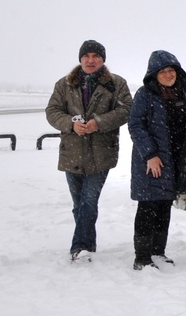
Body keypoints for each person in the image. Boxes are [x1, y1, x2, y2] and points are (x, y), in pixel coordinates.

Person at [46, 40, 132, 262]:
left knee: (88, 201)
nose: (91, 60)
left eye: (96, 56)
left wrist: (99, 122)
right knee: (79, 204)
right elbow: (52, 111)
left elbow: (126, 110)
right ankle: (88, 243)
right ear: (80, 59)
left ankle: (80, 247)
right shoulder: (64, 84)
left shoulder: (116, 84)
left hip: (101, 154)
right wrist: (70, 124)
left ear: (103, 60)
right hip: (72, 153)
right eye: (87, 56)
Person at [126, 50, 186, 270]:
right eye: (163, 72)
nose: (169, 75)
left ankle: (158, 252)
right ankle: (142, 257)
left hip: (177, 160)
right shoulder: (145, 94)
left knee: (164, 205)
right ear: (154, 74)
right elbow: (136, 125)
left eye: (172, 71)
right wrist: (150, 155)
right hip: (152, 161)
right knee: (148, 205)